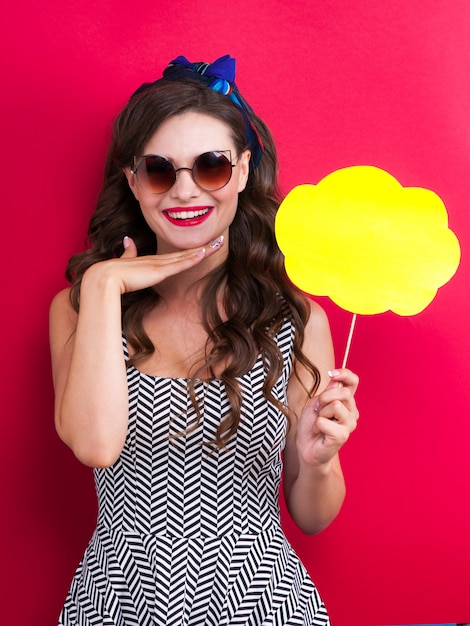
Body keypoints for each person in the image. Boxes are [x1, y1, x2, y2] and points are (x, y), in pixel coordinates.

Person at [49, 54, 359, 626]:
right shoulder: (83, 307)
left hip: (266, 610)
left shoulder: (296, 318)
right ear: (133, 181)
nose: (184, 192)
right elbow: (94, 446)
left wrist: (319, 463)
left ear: (242, 171)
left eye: (211, 167)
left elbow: (312, 517)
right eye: (161, 170)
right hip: (114, 608)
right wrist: (103, 282)